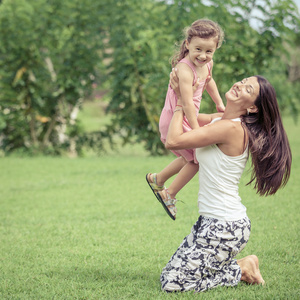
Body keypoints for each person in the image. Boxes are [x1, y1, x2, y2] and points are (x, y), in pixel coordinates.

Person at [158, 69, 292, 292]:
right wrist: (178, 87)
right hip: (209, 221)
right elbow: (179, 117)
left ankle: (241, 269)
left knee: (173, 284)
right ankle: (236, 266)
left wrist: (182, 101)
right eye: (243, 81)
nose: (240, 85)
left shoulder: (231, 128)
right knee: (168, 274)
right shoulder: (219, 120)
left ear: (253, 107)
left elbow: (173, 141)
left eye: (248, 89)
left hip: (225, 227)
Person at [146, 19, 225, 220]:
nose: (203, 55)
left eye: (209, 51)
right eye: (198, 49)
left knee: (188, 157)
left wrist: (219, 103)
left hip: (187, 118)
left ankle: (158, 178)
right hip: (175, 119)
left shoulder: (207, 64)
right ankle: (169, 194)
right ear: (187, 43)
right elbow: (187, 103)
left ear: (216, 49)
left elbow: (209, 81)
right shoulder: (184, 69)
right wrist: (197, 130)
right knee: (196, 160)